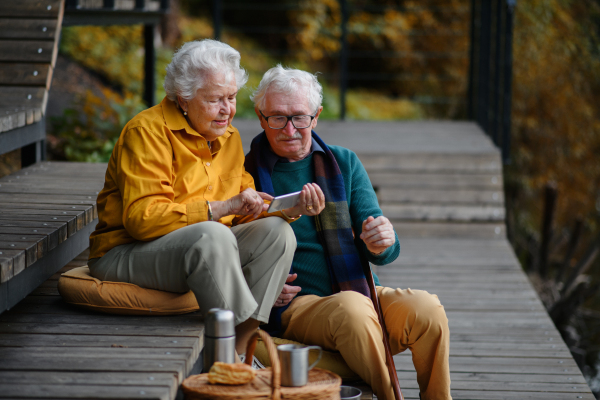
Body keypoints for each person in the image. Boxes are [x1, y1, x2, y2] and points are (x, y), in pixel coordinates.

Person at [87, 41, 322, 355]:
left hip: (201, 250)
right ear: (184, 98)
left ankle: (240, 351)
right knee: (212, 233)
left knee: (277, 233)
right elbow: (141, 220)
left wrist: (286, 209)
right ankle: (231, 359)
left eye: (231, 97)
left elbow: (243, 212)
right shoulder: (146, 132)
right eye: (215, 100)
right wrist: (220, 209)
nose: (227, 110)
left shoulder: (230, 138)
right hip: (126, 253)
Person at [245, 65, 451, 400]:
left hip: (362, 292)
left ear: (316, 117)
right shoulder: (245, 174)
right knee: (352, 310)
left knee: (427, 309)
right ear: (260, 116)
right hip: (299, 305)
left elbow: (384, 248)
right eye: (277, 117)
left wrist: (381, 240)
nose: (290, 129)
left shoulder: (343, 162)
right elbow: (237, 247)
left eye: (299, 117)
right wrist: (260, 280)